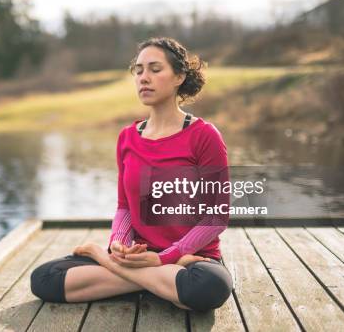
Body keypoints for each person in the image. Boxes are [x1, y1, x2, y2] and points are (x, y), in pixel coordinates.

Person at [30, 37, 233, 311]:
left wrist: (168, 257)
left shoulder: (204, 136)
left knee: (209, 287)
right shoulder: (127, 138)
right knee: (44, 278)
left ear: (179, 77)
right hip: (143, 259)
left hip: (192, 260)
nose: (143, 78)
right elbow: (125, 208)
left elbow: (216, 217)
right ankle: (157, 284)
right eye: (138, 71)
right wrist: (118, 245)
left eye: (154, 69)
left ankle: (110, 265)